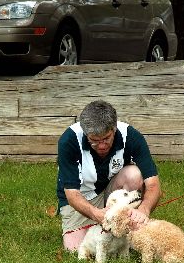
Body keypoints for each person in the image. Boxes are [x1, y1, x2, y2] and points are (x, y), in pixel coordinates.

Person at [57, 100, 161, 251]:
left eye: (106, 138)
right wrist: (96, 214)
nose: (101, 146)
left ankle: (126, 224)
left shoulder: (131, 136)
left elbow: (153, 184)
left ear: (114, 128)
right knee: (75, 249)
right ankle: (107, 226)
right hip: (81, 196)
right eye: (94, 141)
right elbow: (72, 195)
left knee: (134, 174)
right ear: (85, 133)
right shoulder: (69, 140)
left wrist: (144, 210)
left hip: (112, 191)